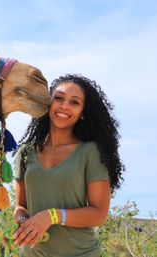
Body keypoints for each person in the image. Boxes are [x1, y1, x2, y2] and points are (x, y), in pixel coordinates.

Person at [13, 74, 124, 256]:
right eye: (59, 98)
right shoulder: (26, 152)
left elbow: (99, 214)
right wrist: (24, 222)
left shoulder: (90, 152)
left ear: (83, 113)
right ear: (48, 103)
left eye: (75, 102)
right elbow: (20, 206)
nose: (64, 105)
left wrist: (52, 216)